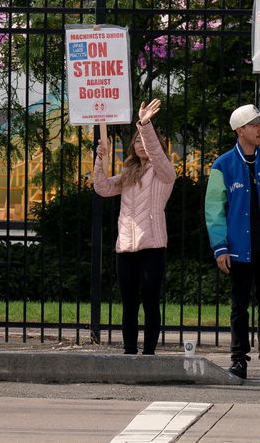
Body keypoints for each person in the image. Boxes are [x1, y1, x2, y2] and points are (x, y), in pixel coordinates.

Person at [204, 103, 260, 380]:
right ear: (239, 130)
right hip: (238, 248)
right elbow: (214, 209)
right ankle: (238, 360)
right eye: (255, 124)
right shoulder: (223, 164)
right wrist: (220, 246)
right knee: (239, 306)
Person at [94, 97, 174, 355]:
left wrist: (144, 124)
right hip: (126, 247)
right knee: (129, 304)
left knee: (150, 303)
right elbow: (103, 188)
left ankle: (149, 353)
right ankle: (129, 352)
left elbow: (156, 154)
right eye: (137, 141)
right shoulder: (128, 172)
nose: (141, 145)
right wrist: (100, 159)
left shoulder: (164, 171)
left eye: (144, 142)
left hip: (152, 245)